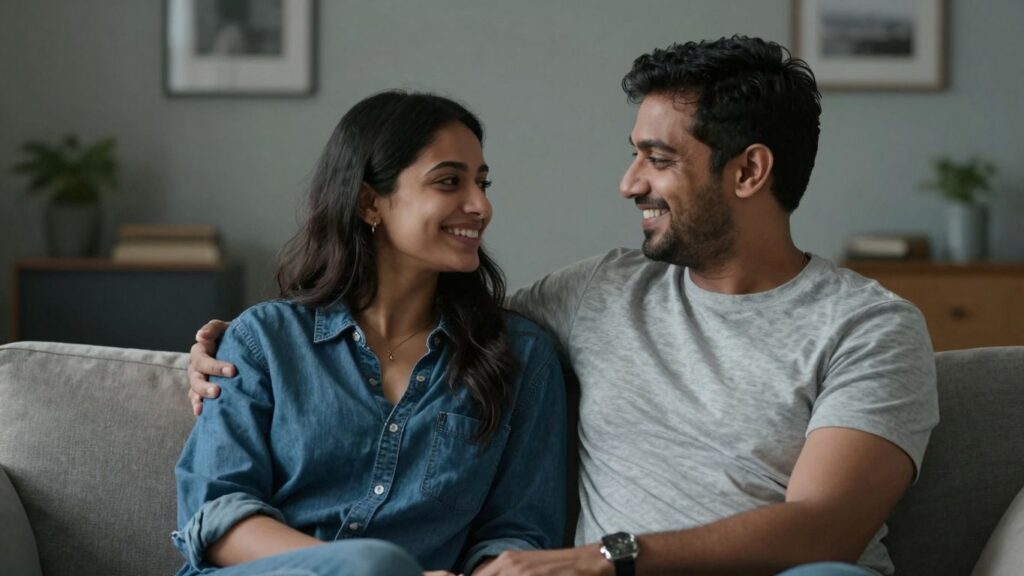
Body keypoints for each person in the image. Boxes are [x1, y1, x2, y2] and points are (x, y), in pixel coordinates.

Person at [188, 37, 938, 576]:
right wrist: (231, 343)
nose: (629, 183)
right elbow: (428, 326)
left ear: (749, 172)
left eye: (658, 159)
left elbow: (826, 529)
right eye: (635, 153)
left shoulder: (868, 329)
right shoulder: (597, 294)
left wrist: (608, 558)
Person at [173, 91, 567, 576]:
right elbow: (216, 515)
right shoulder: (264, 341)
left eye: (482, 184)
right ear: (369, 202)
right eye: (449, 181)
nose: (481, 205)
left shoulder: (521, 357)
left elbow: (517, 534)